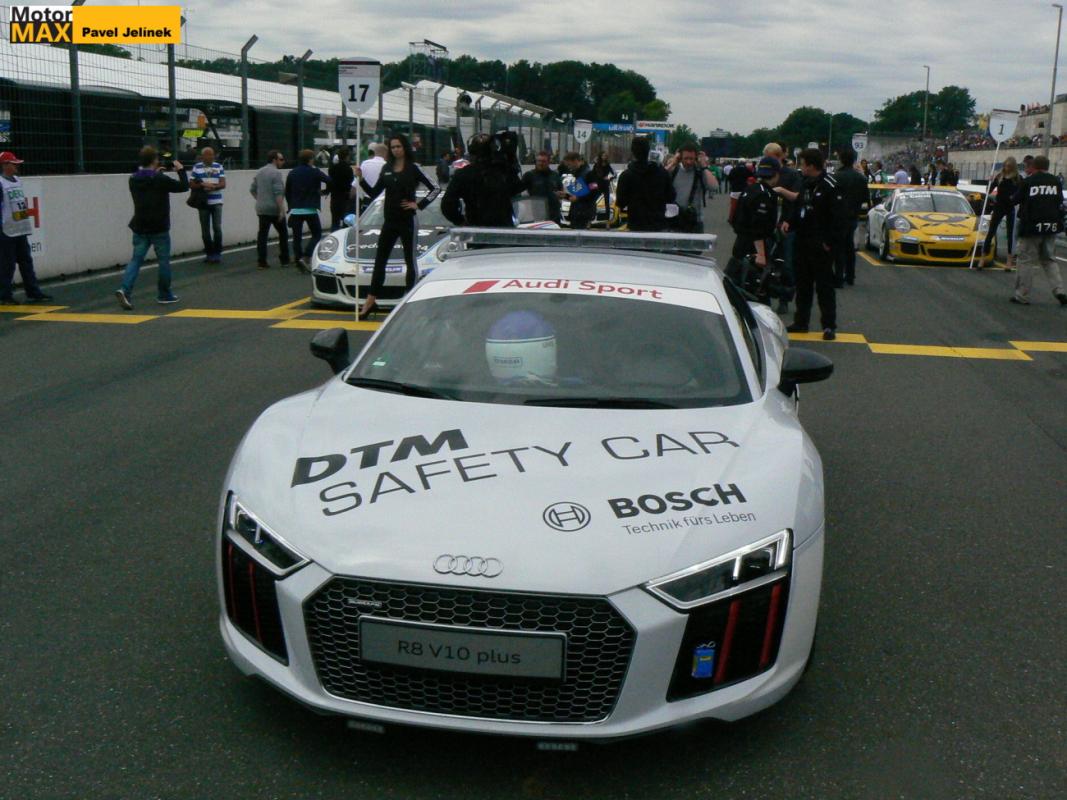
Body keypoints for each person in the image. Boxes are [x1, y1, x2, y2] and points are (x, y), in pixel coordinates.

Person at [354, 133, 440, 319]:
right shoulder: (386, 168)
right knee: (380, 260)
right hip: (389, 221)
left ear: (405, 147)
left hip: (407, 220)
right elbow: (374, 192)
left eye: (398, 146)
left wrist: (418, 204)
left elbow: (435, 188)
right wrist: (360, 179)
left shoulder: (413, 168)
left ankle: (409, 300)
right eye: (393, 147)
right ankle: (370, 300)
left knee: (410, 261)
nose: (396, 150)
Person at [115, 146, 188, 309]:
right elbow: (183, 186)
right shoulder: (160, 179)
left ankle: (125, 290)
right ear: (154, 160)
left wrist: (156, 173)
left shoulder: (133, 179)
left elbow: (147, 181)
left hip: (140, 224)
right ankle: (164, 294)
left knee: (136, 259)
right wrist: (181, 170)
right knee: (163, 260)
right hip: (159, 225)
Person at [786, 148, 845, 340]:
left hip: (821, 244)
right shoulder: (805, 184)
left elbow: (838, 218)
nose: (800, 167)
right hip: (802, 241)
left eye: (802, 164)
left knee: (824, 287)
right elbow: (799, 207)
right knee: (803, 284)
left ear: (811, 165)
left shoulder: (830, 185)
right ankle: (801, 321)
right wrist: (789, 222)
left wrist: (829, 242)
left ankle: (828, 325)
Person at [1010, 154, 1067, 306]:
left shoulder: (1029, 182)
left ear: (1034, 166)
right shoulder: (1056, 182)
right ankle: (1059, 290)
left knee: (1026, 261)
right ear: (1047, 167)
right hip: (1051, 227)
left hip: (1031, 227)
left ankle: (1022, 295)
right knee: (1049, 260)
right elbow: (1059, 203)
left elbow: (1015, 200)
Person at [443, 133, 524, 229]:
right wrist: (510, 158)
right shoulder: (503, 171)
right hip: (503, 230)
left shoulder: (463, 174)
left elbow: (447, 205)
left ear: (471, 152)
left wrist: (461, 221)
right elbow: (516, 190)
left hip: (476, 230)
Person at [0, 151, 51, 304]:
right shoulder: (1, 183)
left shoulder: (17, 180)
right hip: (7, 230)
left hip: (21, 229)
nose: (17, 166)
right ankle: (4, 295)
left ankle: (33, 292)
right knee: (7, 265)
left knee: (26, 262)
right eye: (13, 163)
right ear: (5, 165)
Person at [725, 156, 780, 291]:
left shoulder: (750, 189)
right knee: (754, 288)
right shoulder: (764, 194)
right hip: (753, 248)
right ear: (776, 174)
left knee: (736, 284)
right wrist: (761, 253)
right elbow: (758, 226)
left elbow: (735, 217)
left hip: (740, 242)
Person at [765, 143, 803, 313]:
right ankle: (764, 296)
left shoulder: (792, 174)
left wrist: (780, 190)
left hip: (786, 223)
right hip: (767, 222)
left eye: (771, 158)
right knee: (764, 261)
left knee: (787, 264)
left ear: (779, 157)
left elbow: (797, 197)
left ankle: (784, 299)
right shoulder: (764, 173)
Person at [614, 136, 674, 232]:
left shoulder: (626, 176)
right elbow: (671, 196)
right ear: (648, 151)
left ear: (632, 152)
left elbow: (620, 203)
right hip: (658, 225)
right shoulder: (662, 173)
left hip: (636, 225)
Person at [284, 148, 329, 273]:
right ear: (310, 159)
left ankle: (298, 260)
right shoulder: (315, 172)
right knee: (317, 234)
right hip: (310, 208)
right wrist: (324, 191)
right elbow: (329, 181)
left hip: (296, 209)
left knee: (296, 237)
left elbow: (287, 191)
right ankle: (306, 256)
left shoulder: (292, 173)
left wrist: (290, 205)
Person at [832, 147, 869, 287]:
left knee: (838, 247)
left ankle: (838, 277)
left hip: (838, 216)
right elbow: (865, 198)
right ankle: (850, 276)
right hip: (853, 214)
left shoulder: (836, 177)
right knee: (849, 246)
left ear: (841, 160)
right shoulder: (861, 178)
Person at [249, 149, 290, 270]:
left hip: (261, 207)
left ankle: (262, 262)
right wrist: (281, 209)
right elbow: (278, 193)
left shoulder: (260, 171)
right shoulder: (276, 173)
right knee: (283, 233)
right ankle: (284, 259)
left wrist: (260, 199)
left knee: (262, 235)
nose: (283, 162)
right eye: (281, 159)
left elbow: (252, 189)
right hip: (274, 208)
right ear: (274, 160)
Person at [982, 156, 1021, 272]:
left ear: (1013, 167)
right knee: (991, 232)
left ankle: (1009, 261)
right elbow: (989, 190)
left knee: (1010, 234)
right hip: (999, 206)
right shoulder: (999, 176)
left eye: (1009, 166)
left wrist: (1014, 198)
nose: (1006, 168)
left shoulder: (1018, 178)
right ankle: (983, 258)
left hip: (1010, 207)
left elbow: (1021, 192)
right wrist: (989, 182)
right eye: (1005, 166)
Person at [666, 143, 713, 233]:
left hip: (695, 221)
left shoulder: (700, 172)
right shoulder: (674, 170)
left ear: (696, 158)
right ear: (680, 158)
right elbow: (656, 180)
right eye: (686, 158)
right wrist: (672, 163)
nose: (689, 162)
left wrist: (704, 166)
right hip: (674, 220)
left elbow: (713, 187)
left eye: (691, 159)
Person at [190, 146, 226, 263]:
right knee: (205, 230)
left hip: (216, 201)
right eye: (208, 155)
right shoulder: (197, 167)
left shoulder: (219, 166)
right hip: (203, 202)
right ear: (202, 156)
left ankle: (217, 252)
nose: (210, 157)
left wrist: (213, 187)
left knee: (217, 228)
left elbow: (223, 184)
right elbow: (191, 184)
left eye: (212, 155)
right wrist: (202, 185)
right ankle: (209, 253)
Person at [520, 150, 565, 224]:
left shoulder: (555, 175)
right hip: (538, 213)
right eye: (539, 161)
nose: (540, 163)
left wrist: (561, 195)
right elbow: (519, 191)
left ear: (548, 162)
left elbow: (561, 191)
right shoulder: (529, 175)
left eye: (543, 161)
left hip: (554, 213)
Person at [559, 151, 601, 229]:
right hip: (578, 213)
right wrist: (566, 196)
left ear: (575, 161)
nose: (568, 167)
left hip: (584, 214)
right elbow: (577, 195)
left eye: (569, 164)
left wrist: (578, 198)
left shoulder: (588, 174)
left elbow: (594, 192)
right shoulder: (579, 174)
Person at [327, 146, 354, 231]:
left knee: (335, 221)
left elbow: (329, 182)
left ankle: (334, 234)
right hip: (345, 197)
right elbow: (351, 181)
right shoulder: (348, 169)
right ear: (347, 156)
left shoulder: (332, 168)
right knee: (347, 220)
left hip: (335, 197)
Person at [358, 143, 388, 212]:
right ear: (386, 153)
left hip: (367, 200)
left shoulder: (365, 163)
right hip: (382, 201)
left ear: (375, 152)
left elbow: (356, 183)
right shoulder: (387, 166)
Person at [727, 158, 752, 225]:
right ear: (744, 163)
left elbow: (729, 178)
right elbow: (752, 176)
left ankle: (731, 219)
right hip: (744, 190)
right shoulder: (746, 170)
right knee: (744, 206)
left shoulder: (733, 169)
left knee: (733, 207)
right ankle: (743, 219)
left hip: (735, 190)